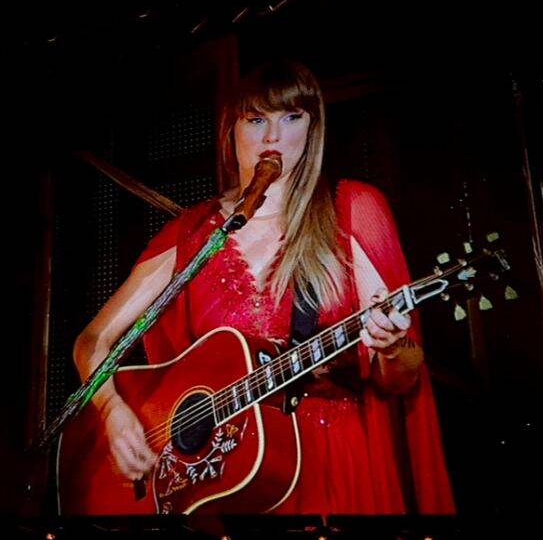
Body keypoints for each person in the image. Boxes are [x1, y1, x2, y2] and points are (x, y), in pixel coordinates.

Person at [73, 59, 455, 514]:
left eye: (291, 118)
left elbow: (403, 378)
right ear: (230, 130)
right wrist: (113, 412)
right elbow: (92, 342)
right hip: (224, 478)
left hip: (332, 462)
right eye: (256, 120)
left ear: (312, 129)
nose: (273, 137)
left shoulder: (351, 208)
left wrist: (392, 348)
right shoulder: (192, 234)